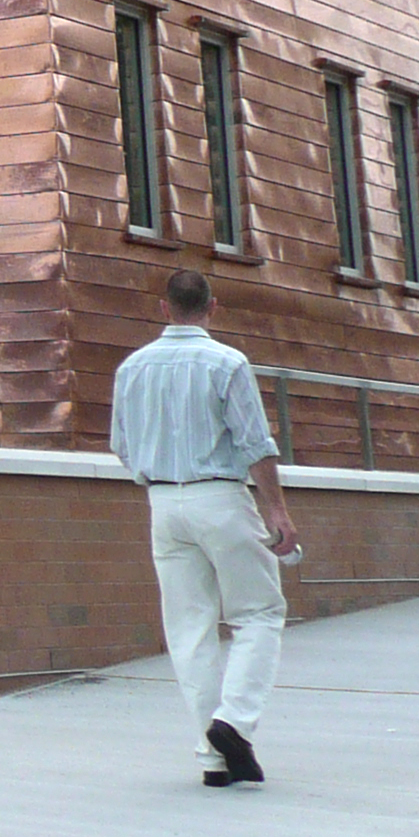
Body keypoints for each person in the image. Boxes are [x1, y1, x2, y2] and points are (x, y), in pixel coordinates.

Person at [109, 269, 300, 787]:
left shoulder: (132, 368)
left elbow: (121, 445)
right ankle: (234, 723)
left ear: (165, 308)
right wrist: (276, 510)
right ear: (212, 307)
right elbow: (254, 442)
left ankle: (214, 758)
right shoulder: (227, 362)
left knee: (189, 628)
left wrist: (159, 482)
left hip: (162, 502)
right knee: (258, 613)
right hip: (219, 494)